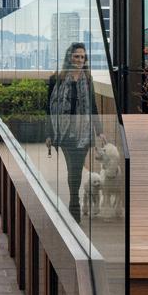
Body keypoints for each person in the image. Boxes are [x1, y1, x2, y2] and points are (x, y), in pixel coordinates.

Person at [48, 42, 101, 220]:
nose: (79, 60)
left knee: (76, 167)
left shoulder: (88, 79)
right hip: (64, 131)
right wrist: (49, 133)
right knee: (72, 167)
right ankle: (74, 200)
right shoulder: (58, 78)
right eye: (76, 56)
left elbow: (93, 106)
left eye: (82, 57)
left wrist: (99, 131)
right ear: (69, 57)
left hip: (83, 132)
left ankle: (74, 203)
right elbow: (49, 109)